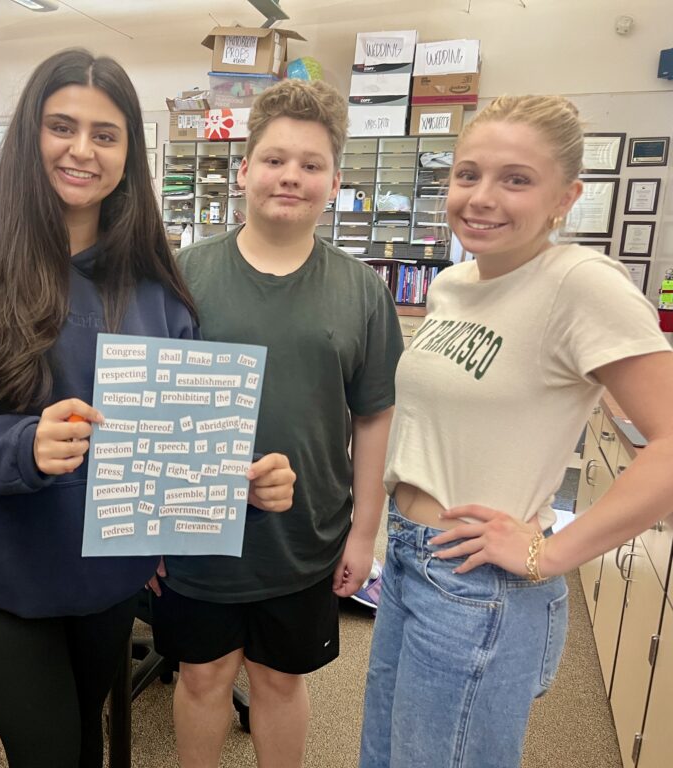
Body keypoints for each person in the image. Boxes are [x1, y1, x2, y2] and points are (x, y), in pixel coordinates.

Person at [0, 48, 294, 768]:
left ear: (129, 152)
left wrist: (242, 487)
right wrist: (19, 447)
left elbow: (177, 439)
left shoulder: (153, 281)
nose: (81, 150)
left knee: (84, 746)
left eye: (105, 134)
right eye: (61, 126)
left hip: (109, 570)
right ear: (28, 134)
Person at [360, 95, 673, 768]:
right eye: (468, 174)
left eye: (517, 179)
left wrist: (550, 554)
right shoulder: (455, 284)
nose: (482, 197)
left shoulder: (580, 283)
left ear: (566, 197)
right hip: (412, 559)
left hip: (479, 586)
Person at [150, 79, 403, 768]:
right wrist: (148, 525)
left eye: (311, 164)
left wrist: (363, 533)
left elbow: (374, 414)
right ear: (243, 170)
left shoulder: (361, 290)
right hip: (199, 531)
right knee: (202, 677)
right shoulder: (182, 275)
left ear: (334, 180)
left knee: (279, 680)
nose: (291, 176)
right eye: (274, 159)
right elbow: (153, 409)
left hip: (307, 535)